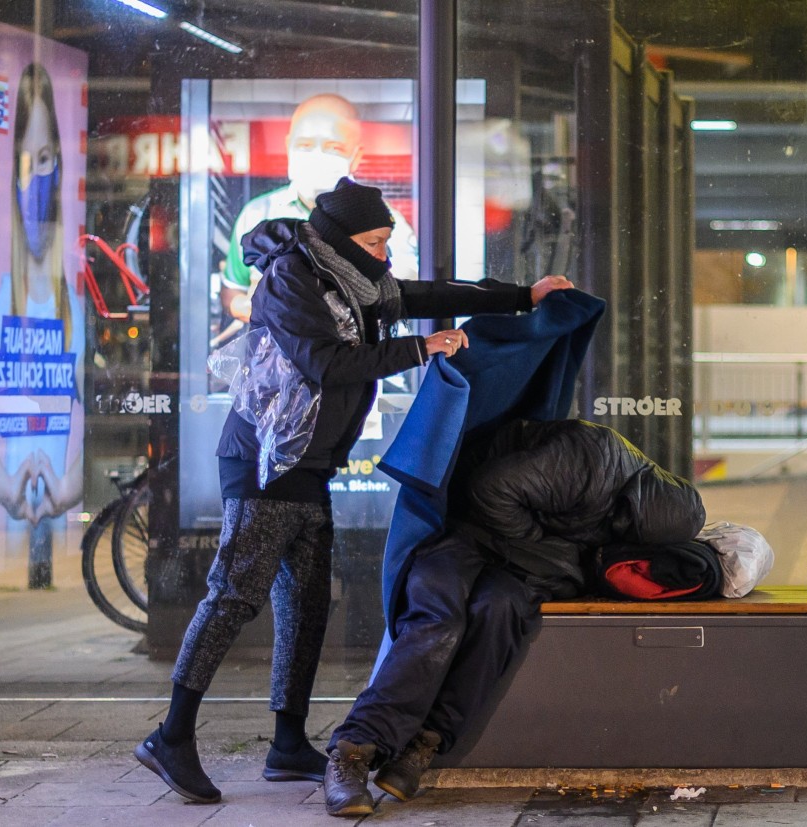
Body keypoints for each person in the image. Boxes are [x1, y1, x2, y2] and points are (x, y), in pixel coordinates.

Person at [133, 176, 573, 804]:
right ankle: (170, 737)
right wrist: (421, 348)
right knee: (235, 595)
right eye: (376, 241)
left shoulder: (359, 281)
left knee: (307, 607)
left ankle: (287, 745)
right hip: (265, 462)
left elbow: (425, 292)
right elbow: (325, 364)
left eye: (387, 241)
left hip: (310, 463)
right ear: (343, 239)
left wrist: (523, 297)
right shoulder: (293, 278)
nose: (386, 254)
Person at [323, 417, 706, 816]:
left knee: (500, 612)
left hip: (517, 556)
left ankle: (424, 742)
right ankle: (354, 751)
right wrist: (536, 546)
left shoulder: (636, 510)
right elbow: (490, 490)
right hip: (468, 527)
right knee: (438, 617)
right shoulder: (589, 462)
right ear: (634, 504)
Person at [0, 62, 86, 589]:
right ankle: (33, 567)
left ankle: (40, 567)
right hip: (9, 496)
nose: (36, 178)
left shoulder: (72, 298)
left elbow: (87, 403)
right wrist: (1, 483)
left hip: (52, 485)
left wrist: (69, 483)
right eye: (25, 162)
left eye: (45, 160)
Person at [220, 93, 418, 327]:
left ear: (356, 157)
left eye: (333, 148)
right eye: (304, 145)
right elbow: (232, 289)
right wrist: (247, 307)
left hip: (355, 358)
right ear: (288, 146)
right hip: (274, 358)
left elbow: (403, 297)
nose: (316, 156)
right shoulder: (257, 216)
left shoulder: (385, 224)